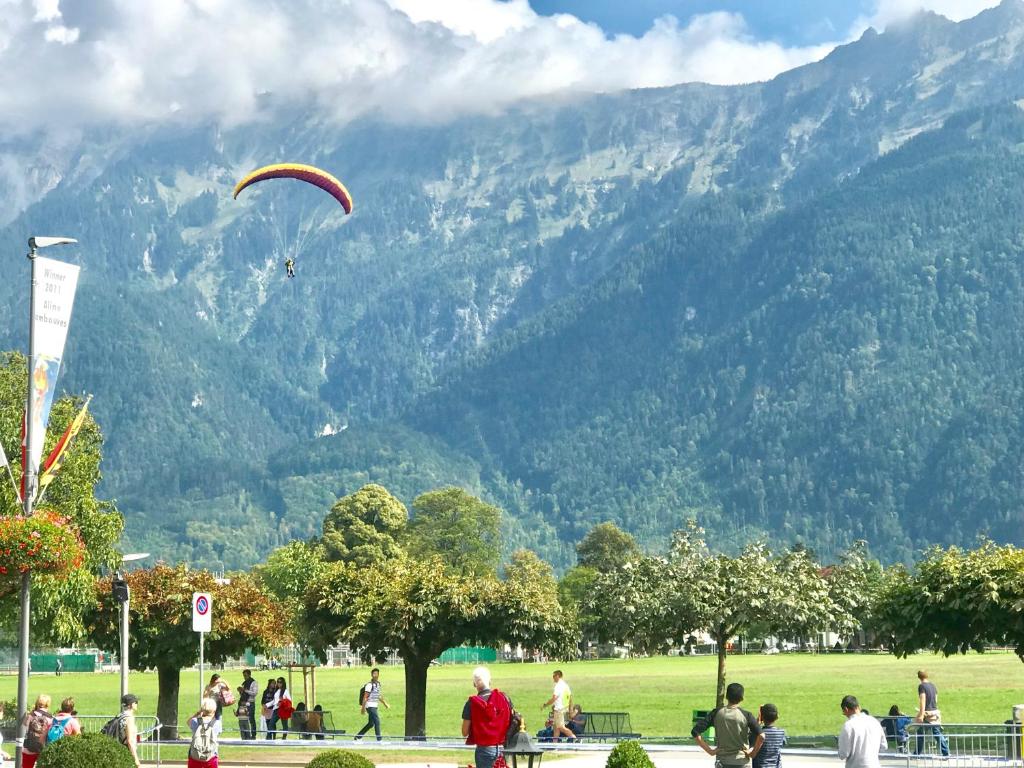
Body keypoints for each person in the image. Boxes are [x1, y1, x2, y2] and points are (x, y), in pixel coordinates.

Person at [692, 683, 763, 767]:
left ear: (726, 696)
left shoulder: (716, 713)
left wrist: (710, 751)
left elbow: (695, 732)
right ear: (742, 698)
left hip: (723, 762)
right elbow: (761, 736)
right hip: (742, 762)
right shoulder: (746, 715)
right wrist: (752, 753)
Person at [462, 666, 512, 768]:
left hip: (484, 750)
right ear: (489, 681)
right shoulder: (504, 698)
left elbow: (464, 732)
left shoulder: (471, 703)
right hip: (504, 748)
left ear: (474, 684)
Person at [838, 694, 886, 768]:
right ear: (858, 707)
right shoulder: (874, 721)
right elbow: (884, 746)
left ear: (846, 709)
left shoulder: (848, 725)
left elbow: (843, 754)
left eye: (843, 712)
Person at [913, 670, 949, 757]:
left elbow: (923, 700)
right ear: (927, 676)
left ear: (919, 677)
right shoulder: (933, 685)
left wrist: (921, 715)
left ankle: (917, 753)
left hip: (927, 713)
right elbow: (936, 699)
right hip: (934, 711)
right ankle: (945, 752)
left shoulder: (922, 686)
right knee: (935, 732)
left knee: (924, 733)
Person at [187, 697, 223, 768]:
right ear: (214, 710)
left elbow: (188, 722)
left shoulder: (195, 721)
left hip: (195, 756)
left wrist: (197, 713)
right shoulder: (217, 723)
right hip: (211, 756)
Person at [356, 667, 390, 741]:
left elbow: (378, 696)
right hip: (370, 706)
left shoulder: (378, 684)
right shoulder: (369, 685)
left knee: (371, 723)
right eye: (374, 674)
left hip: (374, 706)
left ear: (378, 675)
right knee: (377, 721)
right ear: (371, 675)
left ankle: (358, 737)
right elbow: (365, 697)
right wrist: (363, 708)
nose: (375, 675)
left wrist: (385, 704)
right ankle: (379, 740)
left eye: (376, 674)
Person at [20, 694, 53, 768]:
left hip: (28, 748)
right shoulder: (49, 718)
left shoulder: (30, 715)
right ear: (47, 704)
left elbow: (24, 724)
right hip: (43, 749)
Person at [541, 670, 574, 741]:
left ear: (558, 676)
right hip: (564, 708)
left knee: (561, 727)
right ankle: (555, 745)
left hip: (559, 709)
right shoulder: (566, 685)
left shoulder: (558, 686)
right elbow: (570, 698)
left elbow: (554, 698)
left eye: (554, 676)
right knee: (556, 729)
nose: (553, 678)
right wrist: (570, 709)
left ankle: (574, 738)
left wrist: (545, 705)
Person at [753, 703, 785, 768]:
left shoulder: (758, 733)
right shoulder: (781, 732)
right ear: (777, 717)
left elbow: (750, 740)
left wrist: (756, 724)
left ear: (762, 717)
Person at [238, 669, 259, 740]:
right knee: (244, 720)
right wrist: (240, 691)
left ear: (249, 675)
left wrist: (245, 690)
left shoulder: (254, 682)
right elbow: (243, 694)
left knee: (251, 719)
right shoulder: (244, 683)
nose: (244, 677)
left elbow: (254, 693)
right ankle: (246, 735)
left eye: (246, 675)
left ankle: (253, 734)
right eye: (243, 676)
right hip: (243, 703)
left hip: (250, 703)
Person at [269, 676, 292, 740]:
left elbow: (289, 700)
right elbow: (274, 701)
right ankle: (271, 736)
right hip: (276, 709)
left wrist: (282, 702)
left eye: (280, 682)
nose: (279, 683)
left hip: (283, 709)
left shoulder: (285, 691)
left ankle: (284, 737)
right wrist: (267, 705)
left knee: (284, 724)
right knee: (271, 723)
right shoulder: (276, 691)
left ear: (283, 683)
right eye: (278, 682)